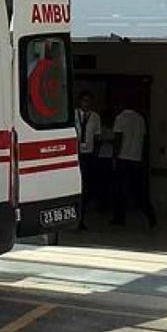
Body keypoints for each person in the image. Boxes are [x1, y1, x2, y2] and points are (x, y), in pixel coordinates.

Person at [110, 103, 157, 228]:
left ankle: (119, 217)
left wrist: (114, 156)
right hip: (136, 158)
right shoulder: (140, 119)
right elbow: (145, 139)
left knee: (119, 189)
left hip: (123, 157)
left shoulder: (120, 118)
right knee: (139, 190)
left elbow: (118, 138)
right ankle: (150, 215)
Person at [75, 92, 101, 230]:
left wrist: (95, 155)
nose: (86, 103)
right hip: (76, 153)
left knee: (87, 185)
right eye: (84, 100)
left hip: (89, 154)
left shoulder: (95, 117)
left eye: (88, 101)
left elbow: (97, 137)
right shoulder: (74, 115)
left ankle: (82, 217)